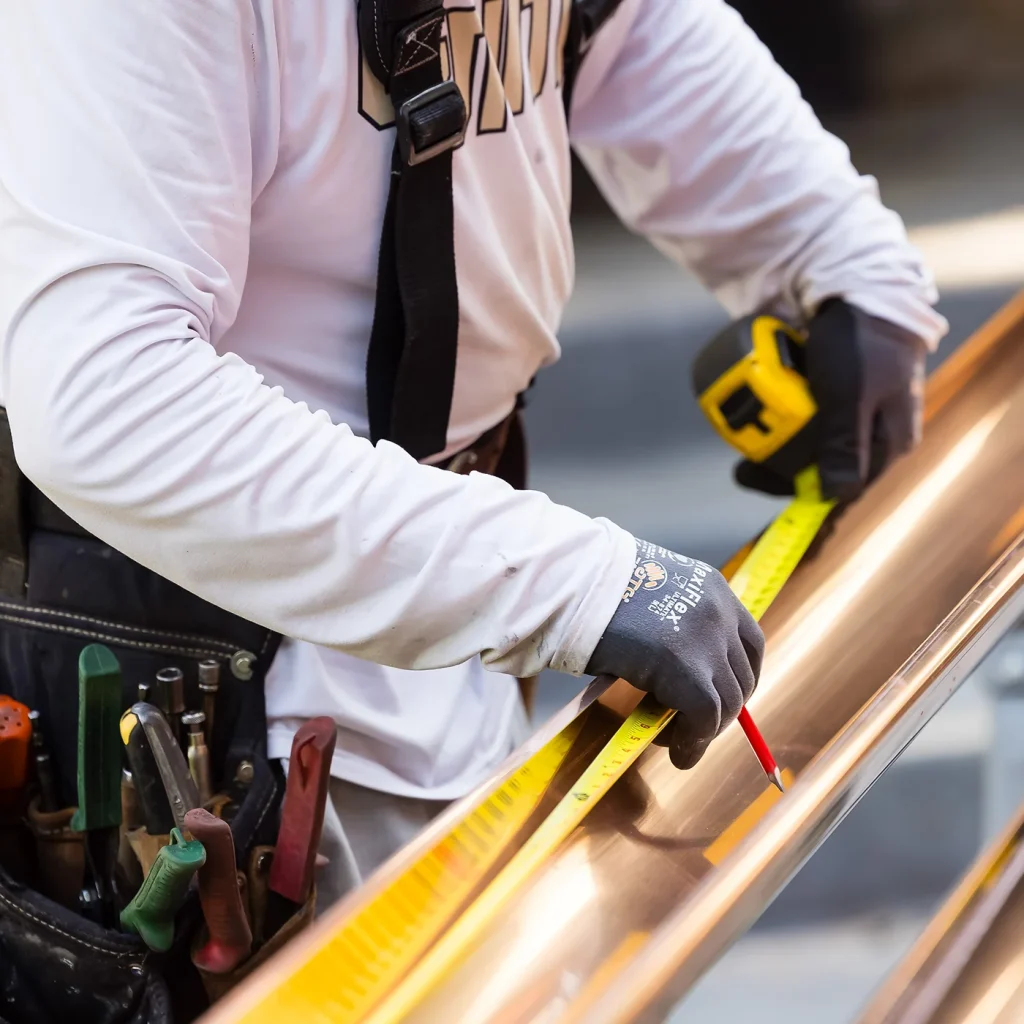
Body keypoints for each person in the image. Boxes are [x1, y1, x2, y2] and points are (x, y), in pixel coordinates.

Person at [0, 0, 944, 954]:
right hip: (233, 678)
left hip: (451, 609)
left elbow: (630, 23)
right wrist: (557, 581)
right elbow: (104, 398)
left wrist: (836, 253)